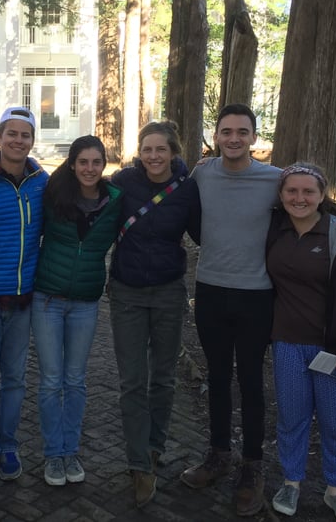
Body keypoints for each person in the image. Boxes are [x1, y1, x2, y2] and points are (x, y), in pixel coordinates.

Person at [181, 104, 336, 517]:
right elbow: (196, 222)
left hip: (257, 296)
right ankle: (218, 454)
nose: (234, 138)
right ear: (216, 136)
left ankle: (252, 467)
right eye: (226, 131)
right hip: (211, 291)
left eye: (242, 131)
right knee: (217, 377)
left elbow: (311, 206)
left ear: (254, 137)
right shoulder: (202, 174)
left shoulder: (274, 179)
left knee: (250, 382)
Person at [266, 163, 336, 522]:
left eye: (308, 192)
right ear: (281, 195)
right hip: (287, 344)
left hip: (335, 350)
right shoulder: (274, 228)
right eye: (291, 191)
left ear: (321, 195)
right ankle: (292, 482)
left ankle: (335, 490)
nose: (299, 198)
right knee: (292, 418)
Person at [107, 121, 201, 507]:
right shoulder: (123, 182)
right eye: (148, 149)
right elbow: (91, 214)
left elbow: (206, 233)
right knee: (132, 380)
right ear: (139, 151)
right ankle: (138, 462)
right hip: (127, 291)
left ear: (174, 151)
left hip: (168, 291)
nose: (154, 156)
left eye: (161, 149)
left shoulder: (188, 188)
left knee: (162, 379)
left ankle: (156, 446)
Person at [31, 136, 123, 487]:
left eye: (95, 162)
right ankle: (54, 454)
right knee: (52, 380)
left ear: (104, 165)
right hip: (48, 300)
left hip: (86, 301)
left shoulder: (114, 200)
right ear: (72, 164)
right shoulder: (54, 195)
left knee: (76, 380)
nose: (89, 168)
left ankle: (71, 450)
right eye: (82, 162)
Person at [0, 107, 48, 485]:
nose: (18, 141)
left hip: (23, 300)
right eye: (11, 134)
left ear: (32, 141)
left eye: (25, 135)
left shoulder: (42, 183)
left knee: (15, 380)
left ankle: (10, 444)